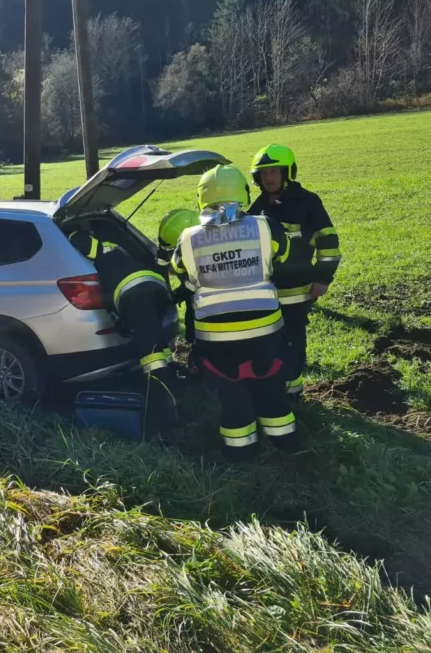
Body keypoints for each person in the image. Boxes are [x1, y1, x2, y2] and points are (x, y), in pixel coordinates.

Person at [171, 165, 295, 460]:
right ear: (243, 192)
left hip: (215, 339)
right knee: (271, 389)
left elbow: (181, 272)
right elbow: (284, 253)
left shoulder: (187, 238)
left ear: (202, 198)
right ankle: (286, 442)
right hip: (265, 331)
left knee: (231, 397)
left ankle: (241, 452)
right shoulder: (265, 226)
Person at [248, 144, 341, 399]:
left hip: (298, 291)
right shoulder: (255, 208)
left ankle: (292, 392)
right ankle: (271, 385)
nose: (269, 178)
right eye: (264, 173)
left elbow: (329, 242)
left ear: (288, 173)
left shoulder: (307, 202)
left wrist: (323, 279)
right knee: (267, 342)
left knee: (292, 341)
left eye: (274, 172)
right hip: (266, 292)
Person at [69, 230, 178, 433]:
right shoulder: (117, 249)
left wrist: (71, 234)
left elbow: (79, 240)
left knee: (151, 356)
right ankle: (174, 381)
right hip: (158, 290)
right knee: (158, 343)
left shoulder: (100, 249)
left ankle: (163, 408)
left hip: (135, 295)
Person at [157, 209, 201, 371]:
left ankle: (198, 352)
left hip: (205, 295)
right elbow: (160, 265)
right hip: (191, 287)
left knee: (196, 312)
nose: (170, 255)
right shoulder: (168, 240)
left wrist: (176, 295)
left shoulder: (201, 250)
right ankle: (192, 343)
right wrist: (165, 292)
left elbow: (194, 284)